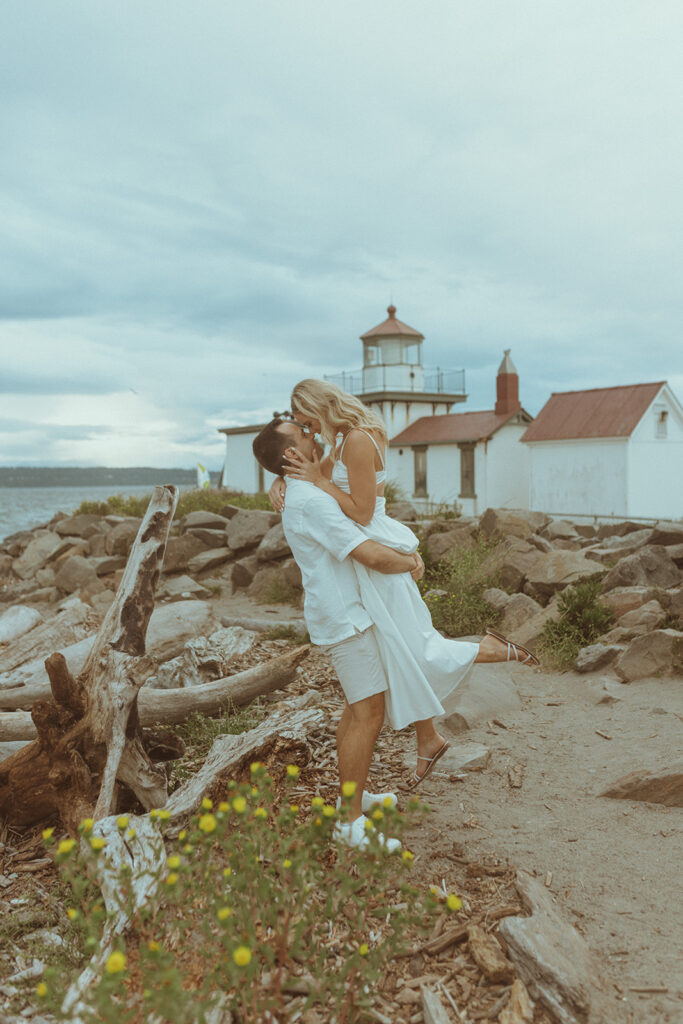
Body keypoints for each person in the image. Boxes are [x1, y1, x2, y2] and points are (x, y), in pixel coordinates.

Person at [268, 379, 539, 787]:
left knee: (413, 648)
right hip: (366, 555)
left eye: (305, 420)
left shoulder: (358, 439)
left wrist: (320, 483)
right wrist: (281, 479)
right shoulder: (341, 439)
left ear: (319, 407)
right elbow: (310, 477)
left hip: (374, 546)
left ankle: (491, 650)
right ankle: (428, 739)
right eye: (301, 426)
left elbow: (359, 512)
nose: (307, 428)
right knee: (398, 648)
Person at [253, 417, 423, 849]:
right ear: (291, 455)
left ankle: (356, 795)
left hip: (344, 612)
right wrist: (411, 561)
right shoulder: (311, 501)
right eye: (303, 434)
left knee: (356, 709)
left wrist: (280, 480)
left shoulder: (304, 492)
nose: (313, 434)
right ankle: (349, 825)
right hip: (345, 618)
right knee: (369, 714)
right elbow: (367, 553)